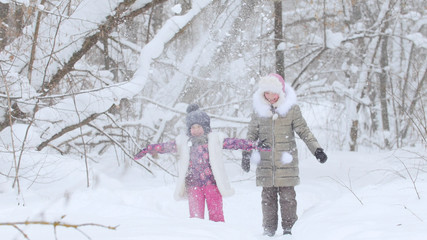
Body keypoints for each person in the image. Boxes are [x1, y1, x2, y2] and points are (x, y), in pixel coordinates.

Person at [134, 103, 269, 222]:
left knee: (216, 218)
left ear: (205, 127)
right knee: (196, 220)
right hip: (194, 187)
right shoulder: (184, 142)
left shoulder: (215, 139)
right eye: (193, 127)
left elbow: (235, 143)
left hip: (212, 185)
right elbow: (164, 147)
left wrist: (254, 145)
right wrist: (148, 149)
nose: (196, 130)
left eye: (199, 126)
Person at [242, 73, 327, 236]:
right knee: (267, 199)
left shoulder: (291, 109)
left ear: (280, 92)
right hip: (266, 164)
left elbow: (304, 131)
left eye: (273, 93)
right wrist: (246, 153)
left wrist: (316, 149)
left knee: (288, 198)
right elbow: (252, 134)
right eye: (267, 93)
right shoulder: (259, 111)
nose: (270, 96)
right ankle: (268, 230)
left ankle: (290, 229)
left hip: (285, 162)